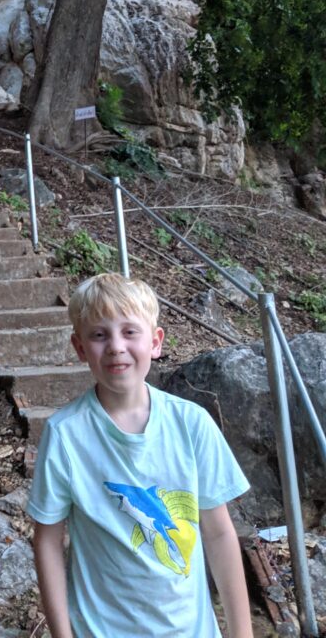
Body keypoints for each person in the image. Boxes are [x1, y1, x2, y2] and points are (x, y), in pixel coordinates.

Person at [27, 273, 253, 638]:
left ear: (155, 342)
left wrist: (242, 633)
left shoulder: (192, 423)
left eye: (130, 331)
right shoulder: (65, 435)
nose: (115, 346)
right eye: (99, 335)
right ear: (80, 348)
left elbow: (219, 534)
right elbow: (48, 541)